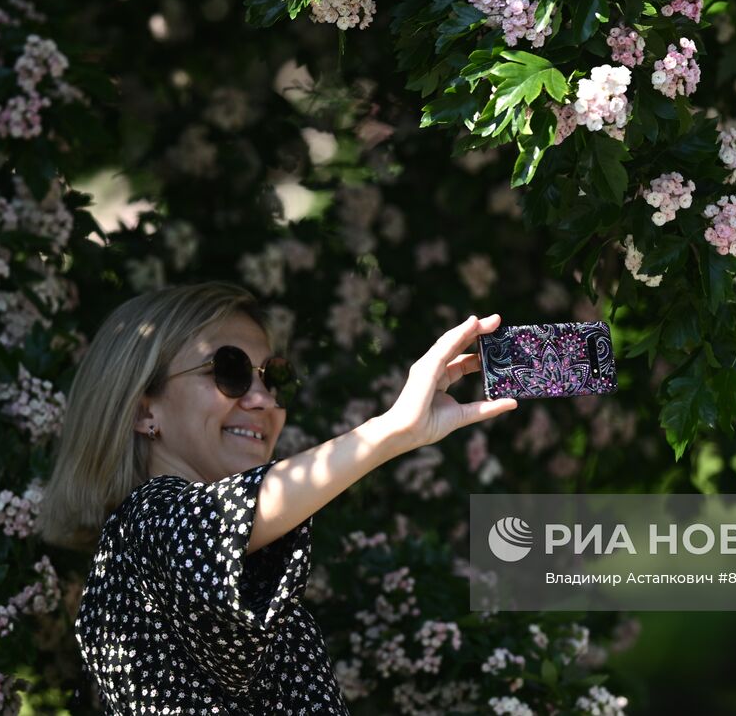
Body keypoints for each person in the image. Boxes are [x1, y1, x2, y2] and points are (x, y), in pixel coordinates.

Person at [37, 280, 518, 714]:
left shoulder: (183, 557)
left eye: (275, 378)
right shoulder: (142, 526)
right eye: (229, 372)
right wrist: (392, 431)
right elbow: (216, 521)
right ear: (144, 410)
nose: (263, 399)